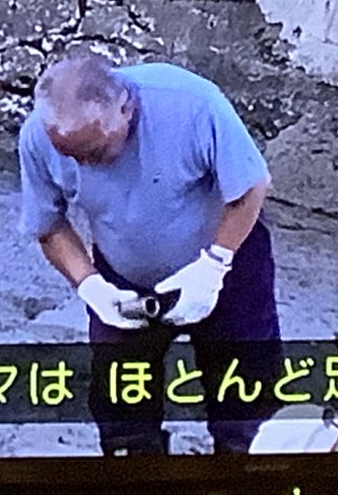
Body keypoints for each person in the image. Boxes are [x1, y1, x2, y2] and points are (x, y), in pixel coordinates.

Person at [17, 54, 282, 455]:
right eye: (70, 155)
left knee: (248, 405)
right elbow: (48, 224)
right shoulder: (39, 136)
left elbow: (251, 187)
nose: (83, 165)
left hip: (227, 264)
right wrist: (90, 286)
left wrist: (213, 266)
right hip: (123, 276)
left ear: (127, 108)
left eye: (94, 152)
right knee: (122, 409)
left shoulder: (193, 104)